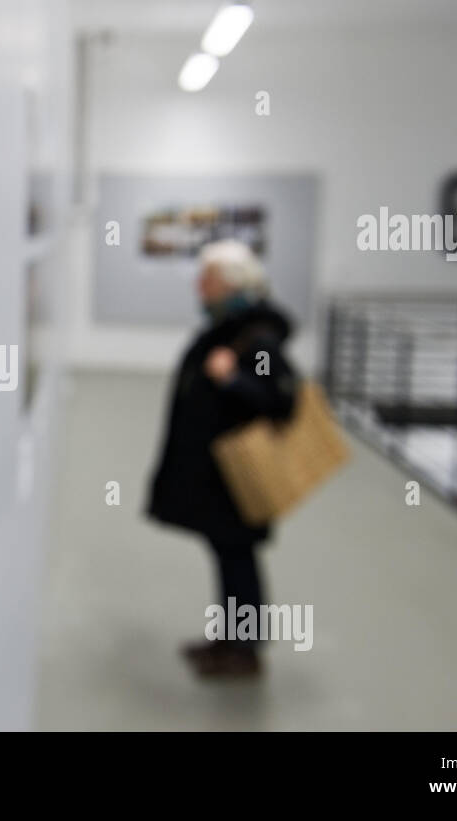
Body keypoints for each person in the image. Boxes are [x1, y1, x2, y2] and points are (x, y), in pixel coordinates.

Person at [146, 239, 297, 678]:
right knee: (226, 555)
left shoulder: (260, 341)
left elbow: (275, 399)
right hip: (217, 478)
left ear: (230, 284)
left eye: (206, 279)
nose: (198, 286)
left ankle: (245, 651)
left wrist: (231, 378)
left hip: (238, 476)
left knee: (238, 558)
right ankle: (229, 640)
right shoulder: (228, 328)